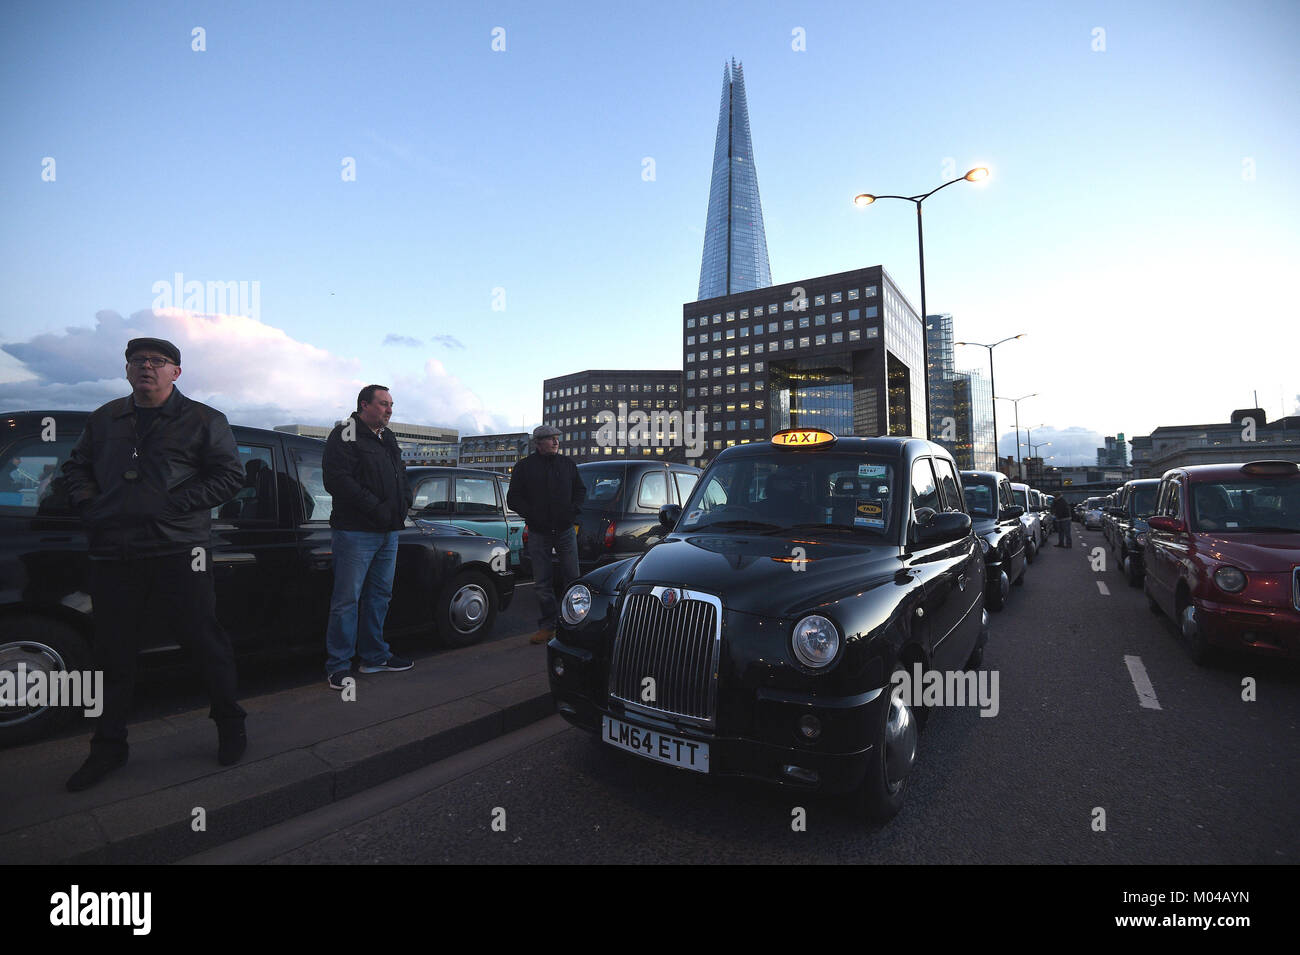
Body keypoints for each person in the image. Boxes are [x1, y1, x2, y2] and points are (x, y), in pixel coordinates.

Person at [60, 337, 247, 791]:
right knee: (112, 655)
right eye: (137, 360)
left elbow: (230, 476)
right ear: (126, 370)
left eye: (158, 361)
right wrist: (90, 506)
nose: (146, 366)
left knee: (205, 643)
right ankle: (107, 748)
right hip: (114, 551)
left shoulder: (204, 419)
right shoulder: (106, 419)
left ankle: (230, 723)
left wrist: (167, 504)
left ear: (175, 373)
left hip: (179, 550)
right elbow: (75, 468)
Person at [321, 385, 413, 689]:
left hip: (388, 531)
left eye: (391, 404)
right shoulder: (345, 433)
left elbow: (400, 474)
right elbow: (338, 480)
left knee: (379, 596)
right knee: (347, 600)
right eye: (383, 404)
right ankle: (338, 666)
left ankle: (374, 657)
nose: (389, 410)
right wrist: (377, 509)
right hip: (356, 531)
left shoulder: (387, 437)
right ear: (364, 405)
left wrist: (404, 501)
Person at [507, 425, 586, 644]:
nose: (556, 442)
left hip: (565, 530)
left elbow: (580, 491)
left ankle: (577, 622)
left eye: (557, 438)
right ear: (538, 443)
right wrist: (532, 514)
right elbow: (513, 498)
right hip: (539, 531)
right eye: (551, 439)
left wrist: (572, 511)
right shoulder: (524, 468)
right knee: (542, 581)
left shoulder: (568, 465)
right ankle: (548, 626)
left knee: (573, 578)